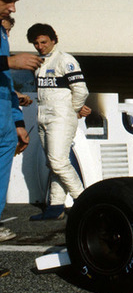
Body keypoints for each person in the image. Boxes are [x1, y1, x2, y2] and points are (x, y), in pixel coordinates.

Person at [26, 23, 90, 221]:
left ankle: (84, 202)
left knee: (58, 161)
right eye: (36, 43)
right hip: (43, 115)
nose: (40, 46)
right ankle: (55, 206)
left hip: (61, 116)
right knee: (53, 162)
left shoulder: (65, 59)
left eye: (44, 42)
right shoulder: (39, 64)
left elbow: (81, 90)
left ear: (54, 40)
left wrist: (76, 108)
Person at [0, 0, 42, 250]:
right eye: (6, 0)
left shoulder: (2, 32)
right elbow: (5, 69)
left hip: (3, 122)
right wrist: (10, 62)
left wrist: (17, 122)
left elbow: (3, 82)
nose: (13, 8)